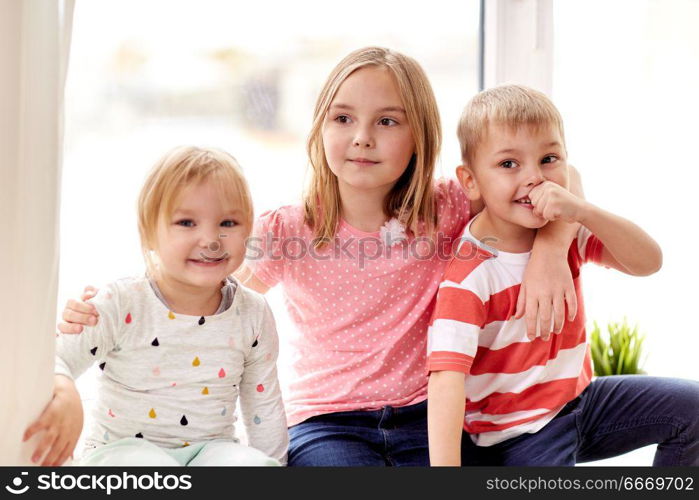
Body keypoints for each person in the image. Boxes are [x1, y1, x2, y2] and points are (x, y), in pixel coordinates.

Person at [55, 47, 584, 466]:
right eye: (343, 118)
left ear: (419, 137)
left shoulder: (445, 206)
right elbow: (197, 282)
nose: (361, 138)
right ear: (320, 128)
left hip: (428, 418)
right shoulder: (289, 229)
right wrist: (108, 307)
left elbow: (561, 180)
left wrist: (552, 250)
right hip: (328, 425)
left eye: (388, 122)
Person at [427, 84, 699, 466]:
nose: (534, 178)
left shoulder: (566, 230)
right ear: (470, 180)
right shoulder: (472, 272)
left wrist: (583, 211)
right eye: (509, 164)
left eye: (548, 158)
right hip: (515, 435)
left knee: (693, 410)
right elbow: (446, 380)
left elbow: (648, 261)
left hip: (578, 405)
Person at [24, 146, 288, 466]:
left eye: (229, 222)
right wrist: (64, 392)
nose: (211, 239)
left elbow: (265, 410)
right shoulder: (120, 302)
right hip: (122, 451)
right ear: (149, 234)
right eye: (187, 222)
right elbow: (56, 357)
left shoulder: (253, 312)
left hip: (212, 450)